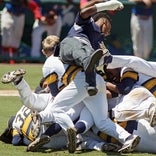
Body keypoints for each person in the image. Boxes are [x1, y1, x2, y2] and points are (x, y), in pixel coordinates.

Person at [58, 0, 124, 96]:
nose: (107, 33)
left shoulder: (100, 41)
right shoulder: (88, 23)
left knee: (94, 58)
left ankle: (91, 86)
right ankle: (90, 80)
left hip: (77, 62)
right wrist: (106, 5)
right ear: (104, 22)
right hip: (70, 46)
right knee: (86, 52)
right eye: (109, 29)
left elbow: (107, 58)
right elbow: (84, 11)